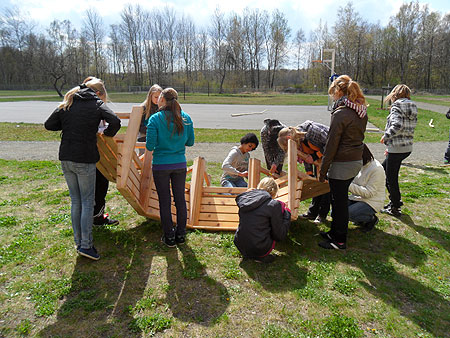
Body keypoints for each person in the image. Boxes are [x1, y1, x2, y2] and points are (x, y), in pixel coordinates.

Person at [44, 78, 121, 260]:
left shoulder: (69, 101)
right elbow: (115, 122)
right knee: (87, 202)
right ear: (97, 92)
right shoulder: (96, 103)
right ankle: (86, 246)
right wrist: (105, 134)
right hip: (85, 158)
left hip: (66, 158)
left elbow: (49, 125)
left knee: (76, 201)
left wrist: (69, 124)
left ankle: (79, 242)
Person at [318, 75, 368, 250]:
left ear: (339, 92)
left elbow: (332, 145)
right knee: (339, 199)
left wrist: (322, 170)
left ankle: (339, 239)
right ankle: (334, 231)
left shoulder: (341, 113)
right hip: (354, 161)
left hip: (342, 164)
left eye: (333, 93)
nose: (332, 96)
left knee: (338, 203)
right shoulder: (359, 110)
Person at [146, 87, 195, 247]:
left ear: (162, 99)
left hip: (161, 165)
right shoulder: (186, 118)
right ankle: (181, 234)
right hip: (179, 164)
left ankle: (169, 237)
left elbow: (150, 146)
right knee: (180, 200)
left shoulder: (154, 119)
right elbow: (190, 142)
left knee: (164, 201)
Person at [81, 76, 120, 227]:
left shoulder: (89, 107)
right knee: (97, 187)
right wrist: (105, 135)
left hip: (98, 154)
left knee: (99, 186)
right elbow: (113, 123)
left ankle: (95, 216)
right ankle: (94, 218)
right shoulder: (93, 108)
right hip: (94, 155)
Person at [277, 121, 330, 224]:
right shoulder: (299, 141)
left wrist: (315, 156)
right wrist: (309, 174)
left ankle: (322, 215)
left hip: (331, 157)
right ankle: (312, 213)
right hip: (320, 160)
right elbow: (306, 156)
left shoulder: (312, 131)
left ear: (289, 138)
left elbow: (331, 143)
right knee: (316, 184)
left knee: (325, 186)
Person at [380, 84, 417, 217]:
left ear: (395, 94)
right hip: (406, 147)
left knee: (390, 178)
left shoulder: (397, 106)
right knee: (384, 171)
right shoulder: (412, 106)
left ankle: (395, 206)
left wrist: (386, 137)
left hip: (397, 148)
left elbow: (397, 125)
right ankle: (394, 201)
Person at [234, 177, 291, 263]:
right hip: (259, 248)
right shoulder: (273, 205)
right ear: (274, 191)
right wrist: (287, 213)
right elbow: (279, 235)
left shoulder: (246, 199)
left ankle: (250, 253)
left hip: (240, 244)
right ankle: (259, 257)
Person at [348, 144, 386, 232]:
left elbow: (369, 193)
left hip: (372, 201)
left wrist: (347, 185)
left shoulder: (377, 169)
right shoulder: (358, 165)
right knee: (335, 212)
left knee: (348, 214)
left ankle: (371, 219)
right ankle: (360, 217)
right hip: (357, 197)